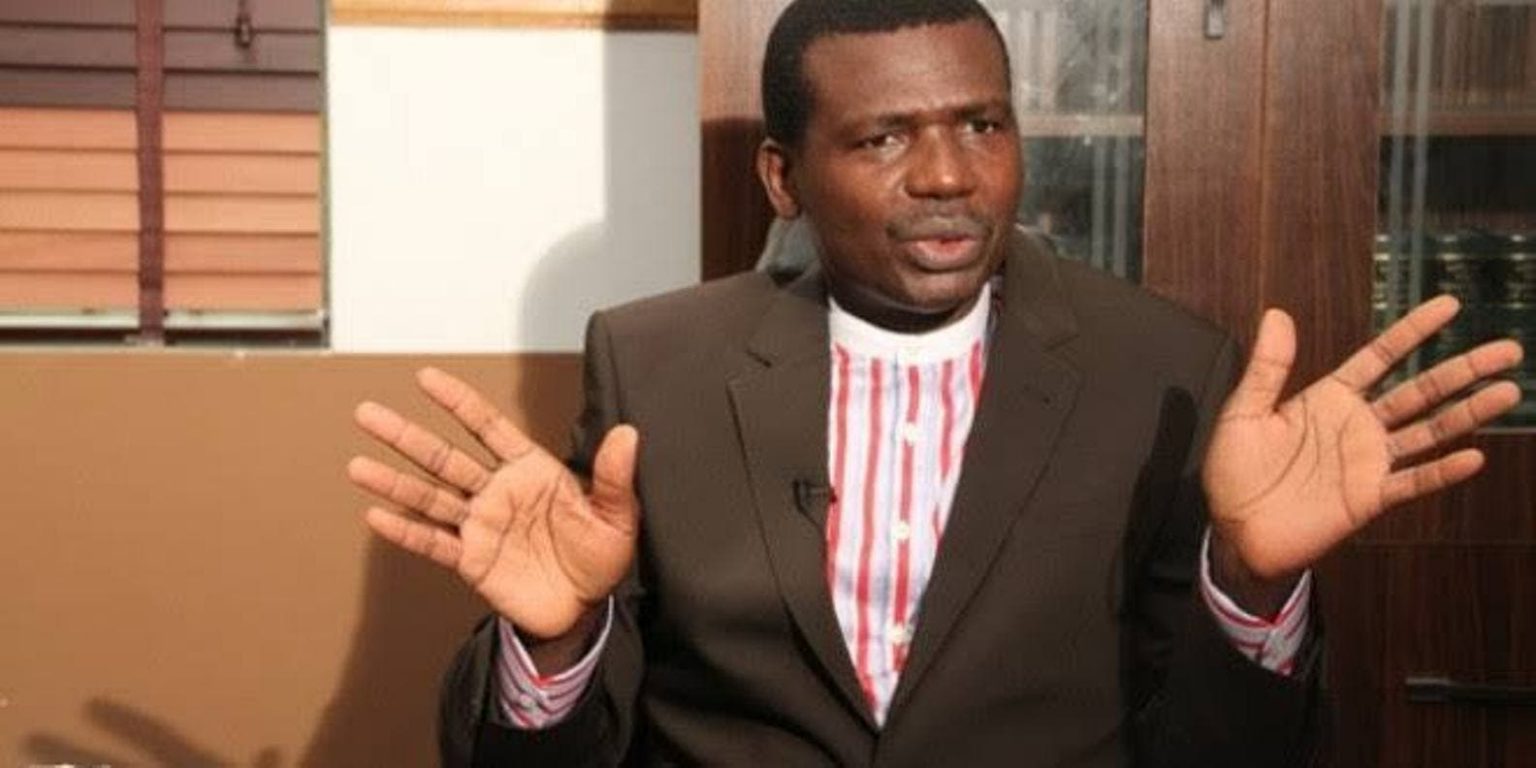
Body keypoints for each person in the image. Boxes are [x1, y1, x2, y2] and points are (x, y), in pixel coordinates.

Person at [346, 1, 1524, 765]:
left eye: (982, 126)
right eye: (884, 138)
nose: (950, 176)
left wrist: (1252, 590)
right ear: (784, 177)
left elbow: (1237, 754)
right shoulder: (655, 367)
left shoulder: (1167, 372)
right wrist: (556, 647)